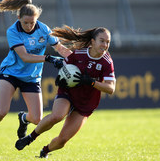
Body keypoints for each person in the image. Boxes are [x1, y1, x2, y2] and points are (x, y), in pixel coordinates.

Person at [0, 0, 72, 146]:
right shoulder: (12, 31)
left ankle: (23, 118)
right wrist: (49, 58)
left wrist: (77, 60)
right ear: (18, 19)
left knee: (36, 119)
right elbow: (25, 56)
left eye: (32, 23)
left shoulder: (43, 29)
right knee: (1, 111)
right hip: (11, 73)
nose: (29, 26)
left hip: (31, 77)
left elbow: (61, 49)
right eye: (26, 23)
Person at [15, 25, 116, 158]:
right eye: (102, 40)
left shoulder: (106, 62)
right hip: (68, 92)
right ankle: (30, 138)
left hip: (86, 103)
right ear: (92, 41)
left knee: (62, 141)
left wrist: (91, 82)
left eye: (108, 42)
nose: (105, 44)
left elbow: (111, 89)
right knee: (57, 115)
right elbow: (65, 67)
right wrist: (60, 77)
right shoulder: (79, 53)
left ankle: (44, 151)